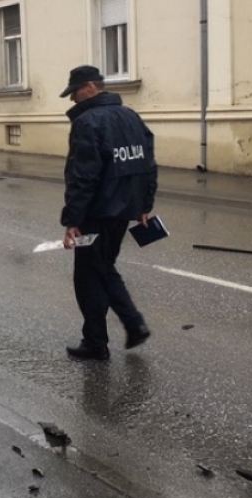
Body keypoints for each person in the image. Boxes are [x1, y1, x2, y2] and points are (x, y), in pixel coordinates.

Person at [59, 65, 158, 361]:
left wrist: (72, 220)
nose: (73, 99)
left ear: (90, 87)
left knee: (89, 277)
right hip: (123, 211)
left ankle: (100, 341)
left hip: (96, 212)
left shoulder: (87, 122)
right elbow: (147, 164)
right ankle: (127, 327)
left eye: (75, 92)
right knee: (102, 268)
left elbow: (83, 176)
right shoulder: (130, 116)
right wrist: (144, 205)